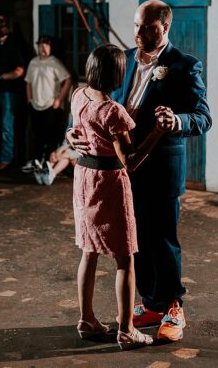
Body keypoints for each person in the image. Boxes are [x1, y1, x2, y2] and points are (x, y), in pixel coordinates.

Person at [69, 0, 211, 342]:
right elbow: (91, 103)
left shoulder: (185, 66)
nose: (137, 32)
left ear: (164, 27)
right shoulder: (121, 59)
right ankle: (150, 301)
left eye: (145, 27)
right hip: (117, 168)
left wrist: (177, 121)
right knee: (133, 240)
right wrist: (72, 134)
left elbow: (203, 117)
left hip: (162, 165)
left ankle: (173, 305)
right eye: (135, 25)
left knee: (162, 236)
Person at [69, 44, 168, 350]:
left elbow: (77, 130)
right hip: (109, 182)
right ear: (117, 74)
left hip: (83, 177)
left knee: (89, 251)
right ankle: (126, 330)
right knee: (125, 258)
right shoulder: (113, 112)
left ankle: (86, 320)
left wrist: (71, 136)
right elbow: (131, 161)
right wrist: (157, 132)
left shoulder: (78, 95)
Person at [0, 16, 25, 171]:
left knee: (7, 126)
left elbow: (19, 71)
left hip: (10, 91)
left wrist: (0, 77)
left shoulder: (15, 44)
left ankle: (7, 158)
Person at [25, 35, 72, 162]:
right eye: (40, 45)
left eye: (46, 45)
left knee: (51, 137)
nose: (43, 48)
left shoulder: (54, 62)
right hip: (35, 105)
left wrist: (59, 99)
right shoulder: (33, 62)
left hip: (51, 105)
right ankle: (36, 162)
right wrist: (29, 100)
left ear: (51, 47)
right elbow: (28, 82)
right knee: (37, 136)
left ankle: (48, 164)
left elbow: (68, 80)